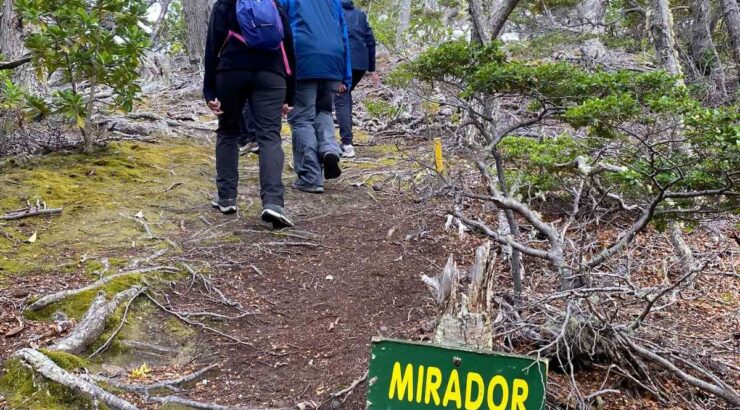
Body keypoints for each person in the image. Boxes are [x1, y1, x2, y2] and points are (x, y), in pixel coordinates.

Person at [203, 0, 296, 229]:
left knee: (228, 130)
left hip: (230, 72)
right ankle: (274, 202)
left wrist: (209, 90)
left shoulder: (224, 4)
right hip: (271, 75)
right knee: (270, 136)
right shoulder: (274, 5)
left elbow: (212, 47)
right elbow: (288, 50)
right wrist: (290, 95)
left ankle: (226, 197)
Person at [280, 0, 352, 194]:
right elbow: (344, 34)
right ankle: (329, 148)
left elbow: (278, 25)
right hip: (333, 58)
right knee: (324, 111)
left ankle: (310, 176)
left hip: (303, 58)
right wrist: (346, 75)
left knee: (301, 118)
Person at [334, 0, 377, 159]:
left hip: (344, 61)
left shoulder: (334, 11)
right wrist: (372, 68)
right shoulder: (360, 14)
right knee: (346, 96)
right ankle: (346, 141)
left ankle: (347, 145)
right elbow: (371, 40)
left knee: (341, 98)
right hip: (361, 63)